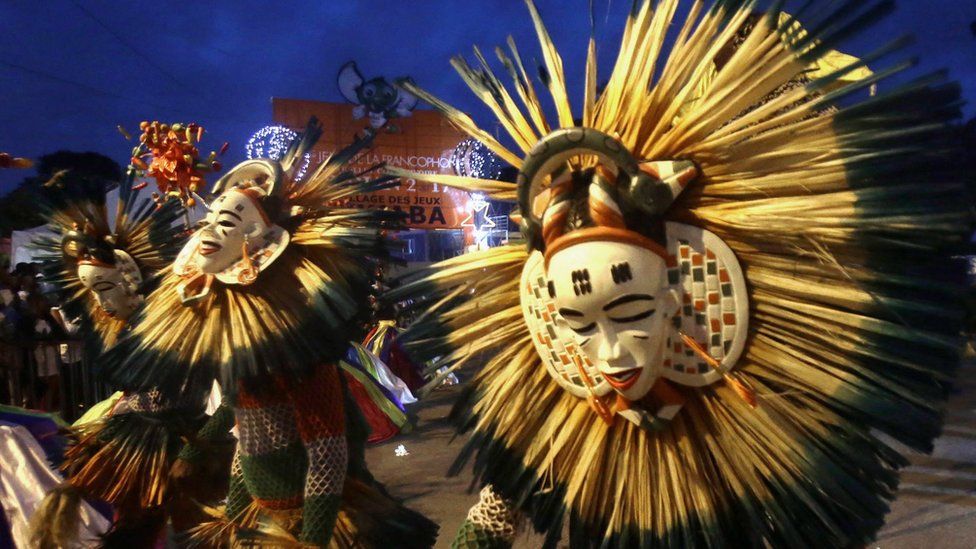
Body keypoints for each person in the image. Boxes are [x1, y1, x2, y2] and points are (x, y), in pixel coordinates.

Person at [388, 2, 971, 547]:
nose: (609, 354)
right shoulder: (563, 407)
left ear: (683, 294)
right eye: (579, 320)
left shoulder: (752, 412)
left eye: (631, 310)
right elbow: (502, 497)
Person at [102, 119, 437, 547]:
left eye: (228, 222)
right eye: (210, 220)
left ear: (260, 240)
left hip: (309, 523)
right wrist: (236, 516)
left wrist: (311, 540)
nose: (209, 232)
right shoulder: (244, 348)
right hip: (264, 518)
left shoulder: (303, 360)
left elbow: (328, 456)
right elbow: (246, 434)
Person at [27, 170, 225, 547]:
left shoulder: (173, 320)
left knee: (190, 523)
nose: (100, 303)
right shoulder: (123, 329)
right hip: (137, 435)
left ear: (129, 279)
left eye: (104, 288)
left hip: (181, 433)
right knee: (139, 521)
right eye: (92, 292)